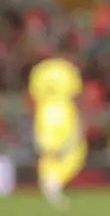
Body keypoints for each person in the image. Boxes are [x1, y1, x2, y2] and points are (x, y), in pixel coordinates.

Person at [29, 57, 85, 210]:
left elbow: (33, 96)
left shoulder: (39, 70)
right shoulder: (68, 69)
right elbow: (77, 94)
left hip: (45, 113)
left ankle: (51, 182)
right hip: (64, 112)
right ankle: (53, 183)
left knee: (49, 154)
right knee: (74, 151)